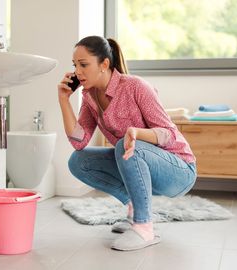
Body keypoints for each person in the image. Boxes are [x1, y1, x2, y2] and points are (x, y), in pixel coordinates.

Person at [57, 36, 197, 251]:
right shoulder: (90, 96)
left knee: (126, 145)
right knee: (79, 161)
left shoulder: (135, 86)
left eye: (84, 65)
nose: (78, 72)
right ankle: (136, 209)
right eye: (75, 65)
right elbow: (79, 142)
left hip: (179, 171)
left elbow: (169, 133)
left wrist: (137, 133)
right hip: (139, 164)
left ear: (104, 64)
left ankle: (144, 228)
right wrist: (64, 101)